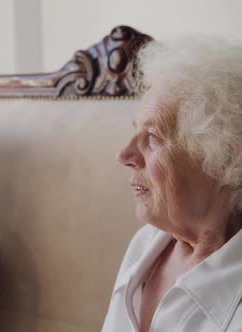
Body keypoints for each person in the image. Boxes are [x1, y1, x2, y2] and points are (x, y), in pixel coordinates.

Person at [102, 37, 242, 331]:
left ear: (226, 158)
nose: (124, 155)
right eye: (135, 132)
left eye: (153, 137)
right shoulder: (145, 245)